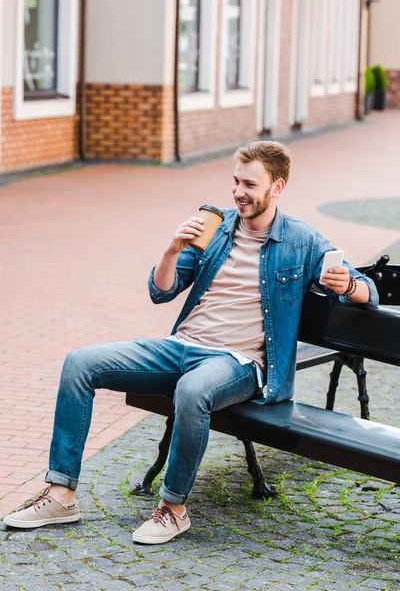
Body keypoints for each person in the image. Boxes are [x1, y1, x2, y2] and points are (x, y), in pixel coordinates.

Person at [3, 141, 378, 544]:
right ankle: (61, 495)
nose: (238, 192)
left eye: (250, 184)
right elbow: (161, 291)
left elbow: (368, 291)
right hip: (182, 347)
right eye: (235, 181)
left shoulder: (302, 240)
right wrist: (172, 249)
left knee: (193, 389)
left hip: (240, 363)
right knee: (80, 363)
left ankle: (173, 508)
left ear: (278, 186)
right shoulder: (215, 229)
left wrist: (349, 284)